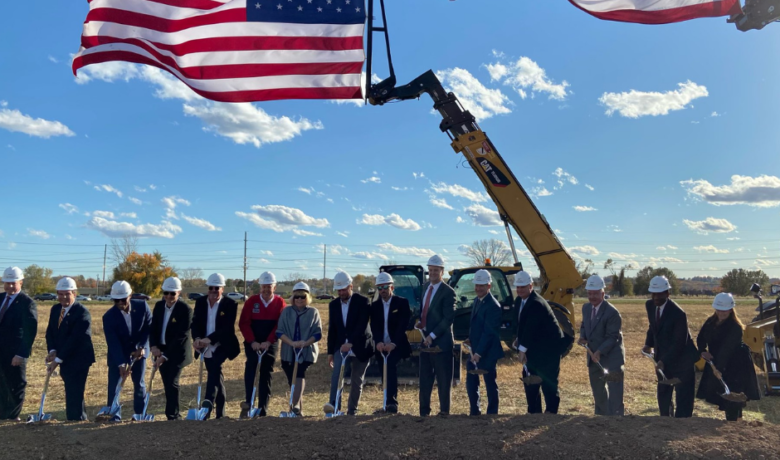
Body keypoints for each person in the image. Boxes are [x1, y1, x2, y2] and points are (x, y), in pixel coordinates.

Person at [696, 292, 760, 421]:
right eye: (719, 310)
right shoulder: (710, 322)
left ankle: (735, 423)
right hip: (718, 361)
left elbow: (727, 350)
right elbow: (701, 338)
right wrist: (702, 350)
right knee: (723, 393)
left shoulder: (735, 327)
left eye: (725, 311)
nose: (721, 313)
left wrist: (718, 369)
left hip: (736, 363)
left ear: (731, 309)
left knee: (734, 393)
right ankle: (735, 421)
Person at [642, 275, 699, 418]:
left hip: (683, 360)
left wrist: (663, 361)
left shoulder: (678, 313)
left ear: (667, 293)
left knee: (683, 399)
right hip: (663, 357)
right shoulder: (650, 306)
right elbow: (653, 327)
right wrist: (648, 344)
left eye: (659, 294)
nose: (655, 297)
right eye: (653, 294)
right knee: (664, 392)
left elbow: (679, 342)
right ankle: (665, 422)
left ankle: (682, 426)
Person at [512, 271, 568, 414]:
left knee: (548, 384)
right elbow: (522, 325)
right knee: (531, 382)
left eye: (523, 287)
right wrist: (519, 341)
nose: (519, 290)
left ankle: (550, 415)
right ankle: (534, 414)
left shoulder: (536, 303)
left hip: (549, 350)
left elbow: (531, 328)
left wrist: (522, 350)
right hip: (535, 349)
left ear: (531, 286)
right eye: (518, 287)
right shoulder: (520, 301)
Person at [45, 277, 95, 421]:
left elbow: (75, 340)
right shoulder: (55, 309)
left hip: (79, 358)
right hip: (64, 356)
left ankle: (76, 420)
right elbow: (50, 332)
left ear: (74, 293)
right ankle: (76, 418)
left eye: (67, 294)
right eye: (60, 294)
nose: (63, 297)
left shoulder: (82, 313)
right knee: (71, 389)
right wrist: (52, 351)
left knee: (74, 390)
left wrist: (58, 360)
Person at [324, 271, 374, 415]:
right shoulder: (333, 305)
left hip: (360, 345)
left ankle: (352, 410)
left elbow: (362, 325)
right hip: (341, 346)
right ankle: (334, 407)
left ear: (351, 286)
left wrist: (351, 342)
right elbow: (332, 329)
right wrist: (329, 352)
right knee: (337, 376)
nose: (341, 293)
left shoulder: (363, 302)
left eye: (344, 289)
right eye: (338, 290)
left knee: (356, 379)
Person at [191, 273, 240, 419]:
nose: (213, 291)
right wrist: (198, 338)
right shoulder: (200, 302)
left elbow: (227, 328)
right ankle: (220, 414)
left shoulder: (230, 304)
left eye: (216, 288)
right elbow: (195, 323)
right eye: (211, 288)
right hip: (204, 347)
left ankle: (207, 405)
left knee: (215, 369)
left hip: (223, 345)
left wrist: (209, 339)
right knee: (217, 376)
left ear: (222, 289)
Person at [238, 271, 286, 418]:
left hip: (270, 343)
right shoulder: (251, 301)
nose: (266, 290)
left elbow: (280, 324)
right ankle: (249, 403)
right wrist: (252, 341)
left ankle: (263, 408)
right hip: (253, 343)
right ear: (260, 287)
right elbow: (244, 323)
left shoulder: (280, 303)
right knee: (251, 369)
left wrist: (268, 341)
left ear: (274, 287)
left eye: (269, 287)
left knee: (266, 373)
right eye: (263, 287)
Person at [102, 281, 151, 420]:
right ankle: (113, 416)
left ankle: (140, 414)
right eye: (116, 300)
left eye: (123, 299)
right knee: (114, 385)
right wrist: (121, 364)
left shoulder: (142, 306)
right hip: (118, 353)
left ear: (130, 295)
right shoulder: (108, 317)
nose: (120, 303)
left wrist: (142, 346)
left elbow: (148, 327)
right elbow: (113, 342)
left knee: (139, 383)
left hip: (139, 352)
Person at [577, 274, 625, 416]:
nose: (592, 297)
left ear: (603, 293)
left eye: (595, 293)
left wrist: (599, 351)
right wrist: (583, 337)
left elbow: (612, 337)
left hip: (612, 358)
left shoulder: (612, 313)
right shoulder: (586, 308)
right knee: (598, 392)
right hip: (593, 357)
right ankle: (601, 419)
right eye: (589, 293)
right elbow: (584, 325)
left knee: (615, 393)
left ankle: (617, 420)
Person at [416, 254, 456, 417]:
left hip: (441, 344)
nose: (432, 273)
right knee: (425, 380)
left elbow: (448, 319)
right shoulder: (426, 287)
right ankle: (424, 412)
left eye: (436, 270)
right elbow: (424, 311)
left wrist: (432, 335)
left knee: (443, 380)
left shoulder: (448, 292)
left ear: (442, 271)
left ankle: (444, 412)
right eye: (430, 270)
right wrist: (419, 322)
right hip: (425, 343)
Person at [276, 282, 322, 416]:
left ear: (307, 297)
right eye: (297, 297)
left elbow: (317, 333)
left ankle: (294, 405)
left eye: (302, 296)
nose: (299, 299)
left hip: (306, 351)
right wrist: (291, 343)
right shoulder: (286, 311)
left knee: (299, 374)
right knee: (292, 380)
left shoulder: (313, 312)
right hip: (288, 352)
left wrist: (305, 343)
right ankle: (297, 411)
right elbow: (279, 331)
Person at [150, 277, 193, 420]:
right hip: (161, 350)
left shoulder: (185, 310)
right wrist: (154, 346)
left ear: (179, 293)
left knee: (172, 382)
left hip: (177, 353)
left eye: (172, 293)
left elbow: (181, 337)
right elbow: (153, 328)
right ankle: (171, 413)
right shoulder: (158, 306)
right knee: (166, 382)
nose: (169, 296)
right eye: (166, 293)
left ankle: (173, 415)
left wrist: (165, 356)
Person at [369, 272, 412, 414]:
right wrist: (379, 342)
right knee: (383, 372)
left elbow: (402, 325)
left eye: (385, 287)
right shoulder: (374, 306)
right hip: (381, 346)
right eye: (380, 287)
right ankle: (386, 402)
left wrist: (393, 343)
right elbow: (374, 326)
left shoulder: (402, 303)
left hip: (397, 345)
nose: (382, 290)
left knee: (391, 368)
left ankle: (392, 403)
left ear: (392, 287)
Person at [0, 267, 37, 421]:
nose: (9, 286)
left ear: (20, 282)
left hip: (15, 352)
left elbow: (30, 332)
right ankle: (3, 414)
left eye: (12, 283)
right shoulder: (0, 297)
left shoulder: (27, 303)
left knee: (16, 384)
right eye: (6, 283)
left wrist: (21, 354)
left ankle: (14, 416)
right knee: (2, 383)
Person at [465, 269, 504, 416]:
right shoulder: (477, 301)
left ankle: (492, 413)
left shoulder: (493, 306)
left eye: (482, 285)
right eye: (477, 285)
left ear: (489, 286)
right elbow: (475, 326)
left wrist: (478, 353)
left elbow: (489, 333)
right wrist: (470, 340)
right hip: (475, 349)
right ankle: (475, 411)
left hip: (487, 352)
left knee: (490, 383)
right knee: (471, 382)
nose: (478, 288)